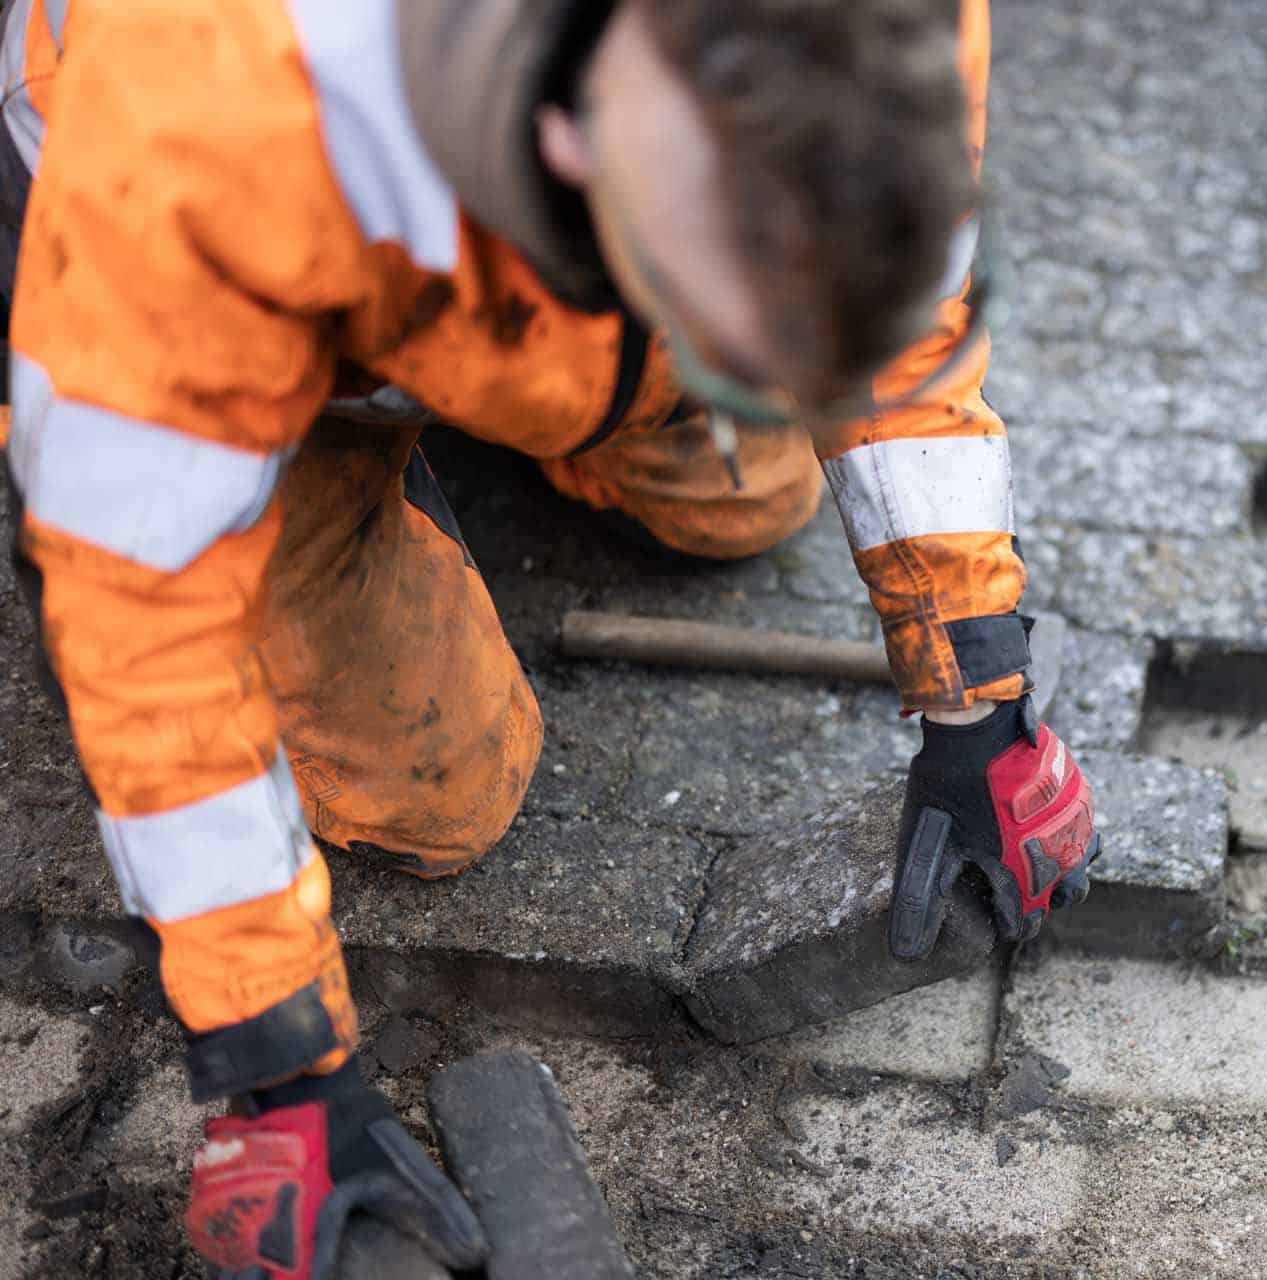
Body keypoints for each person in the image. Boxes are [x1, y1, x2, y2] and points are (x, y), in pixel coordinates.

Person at [0, 0, 1099, 1274]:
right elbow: (138, 619)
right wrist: (271, 1058)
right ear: (583, 151)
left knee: (750, 494)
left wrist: (980, 692)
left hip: (540, 262)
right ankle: (352, 463)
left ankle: (550, 400)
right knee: (437, 789)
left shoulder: (867, 36)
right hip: (246, 303)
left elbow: (908, 320)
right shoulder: (213, 120)